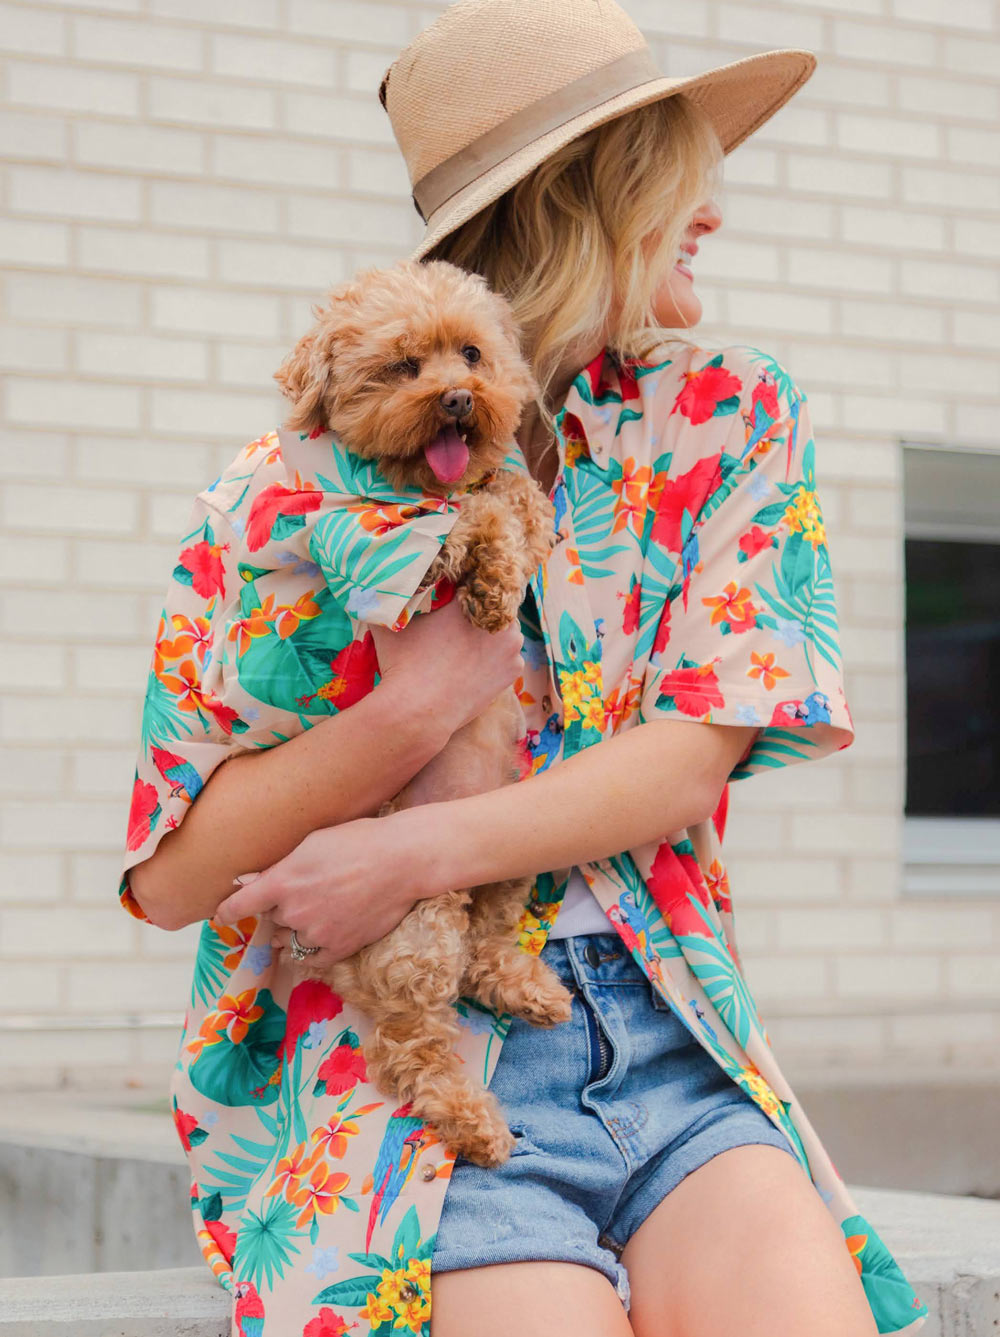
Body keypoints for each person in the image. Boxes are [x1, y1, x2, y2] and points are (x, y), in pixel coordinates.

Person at [120, 2, 929, 1335]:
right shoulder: (276, 499)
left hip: (666, 1032)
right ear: (584, 200)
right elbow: (170, 872)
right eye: (679, 173)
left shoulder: (728, 414)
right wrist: (415, 709)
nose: (712, 210)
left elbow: (691, 752)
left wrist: (404, 852)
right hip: (398, 1068)